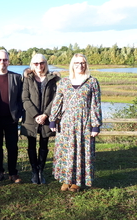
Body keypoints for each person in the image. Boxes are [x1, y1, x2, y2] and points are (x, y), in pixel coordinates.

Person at [49, 53, 102, 192]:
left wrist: (95, 125)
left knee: (80, 152)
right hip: (66, 123)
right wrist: (53, 120)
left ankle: (77, 181)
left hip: (84, 123)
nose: (80, 65)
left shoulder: (92, 82)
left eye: (83, 62)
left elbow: (95, 105)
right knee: (66, 151)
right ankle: (66, 179)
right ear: (72, 65)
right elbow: (57, 102)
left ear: (86, 64)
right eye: (77, 63)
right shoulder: (64, 82)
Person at [21, 54, 61, 184]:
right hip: (31, 117)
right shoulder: (28, 78)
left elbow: (55, 99)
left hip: (46, 117)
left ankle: (41, 171)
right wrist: (36, 115)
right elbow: (25, 98)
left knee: (44, 143)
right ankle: (34, 171)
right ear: (32, 64)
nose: (39, 65)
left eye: (42, 63)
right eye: (36, 63)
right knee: (31, 144)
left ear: (45, 63)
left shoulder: (52, 78)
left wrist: (45, 115)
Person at [0, 49, 23, 184]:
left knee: (12, 146)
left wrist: (19, 114)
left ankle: (13, 173)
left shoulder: (16, 77)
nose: (2, 62)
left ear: (8, 61)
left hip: (11, 118)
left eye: (5, 60)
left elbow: (21, 98)